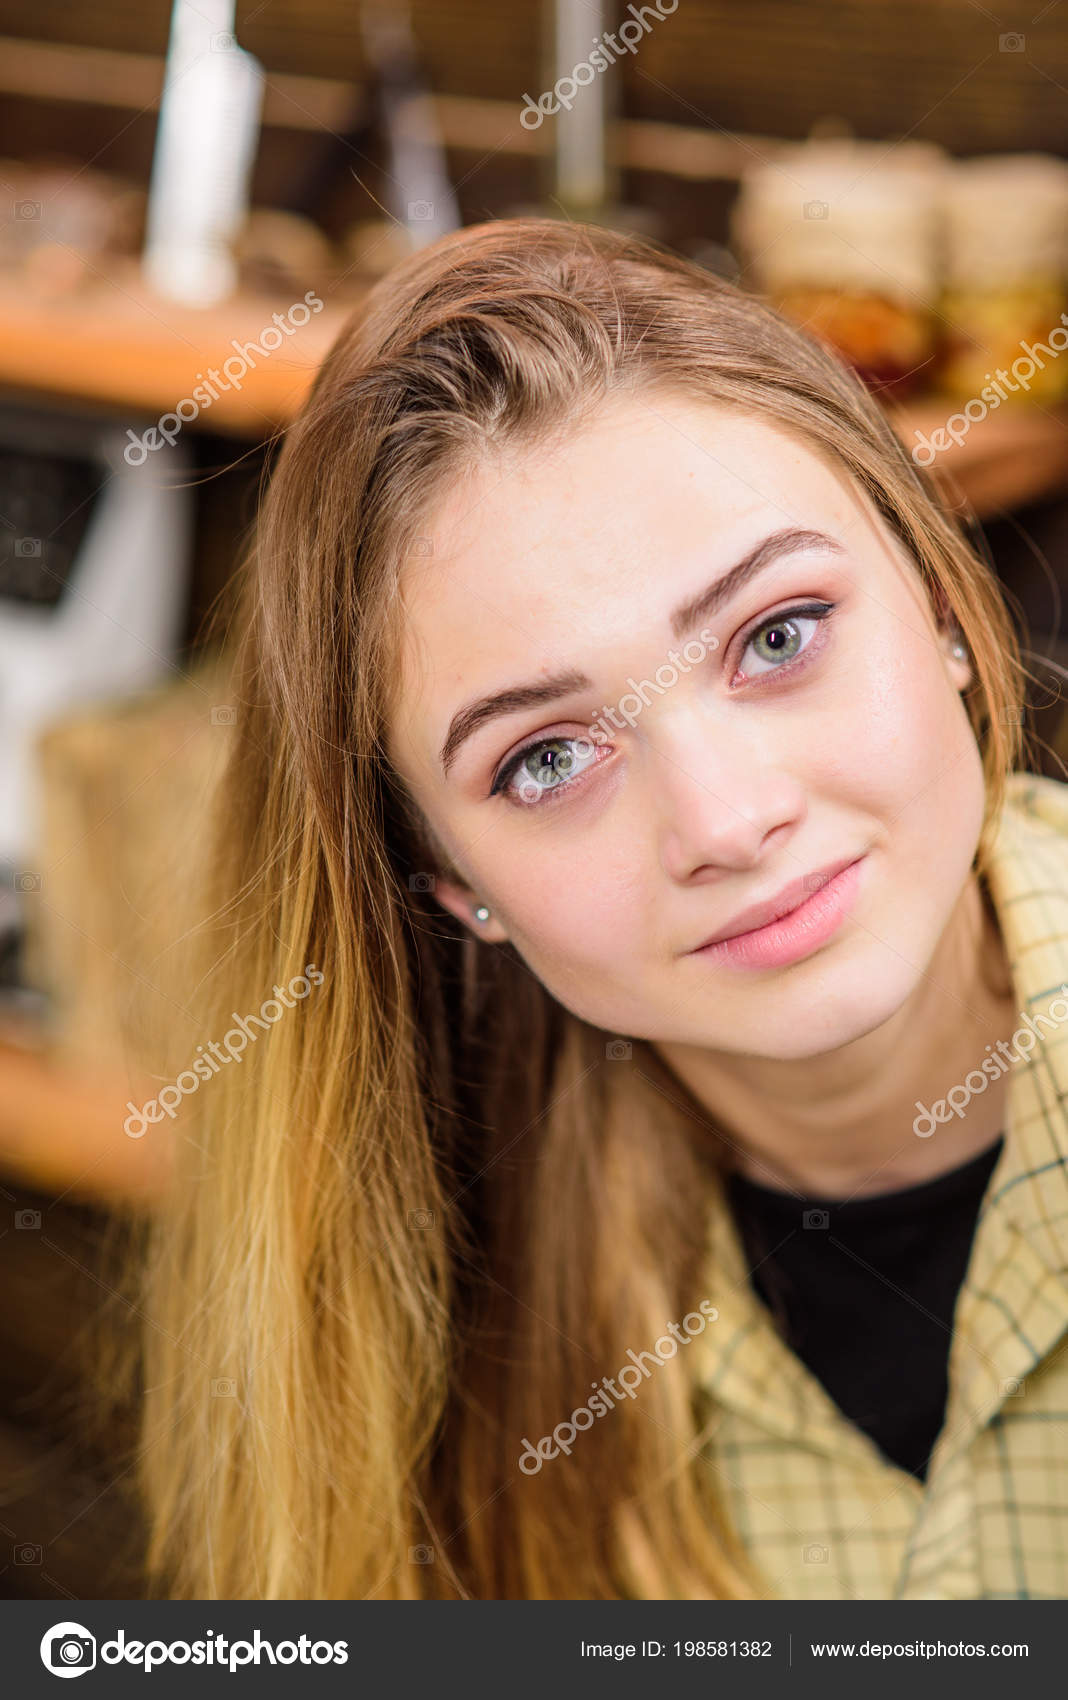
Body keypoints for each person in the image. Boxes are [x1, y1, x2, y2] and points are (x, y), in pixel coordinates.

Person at [122, 218, 1068, 1601]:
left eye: (778, 635)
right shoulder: (425, 1330)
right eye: (548, 761)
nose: (727, 821)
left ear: (937, 601)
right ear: (453, 882)